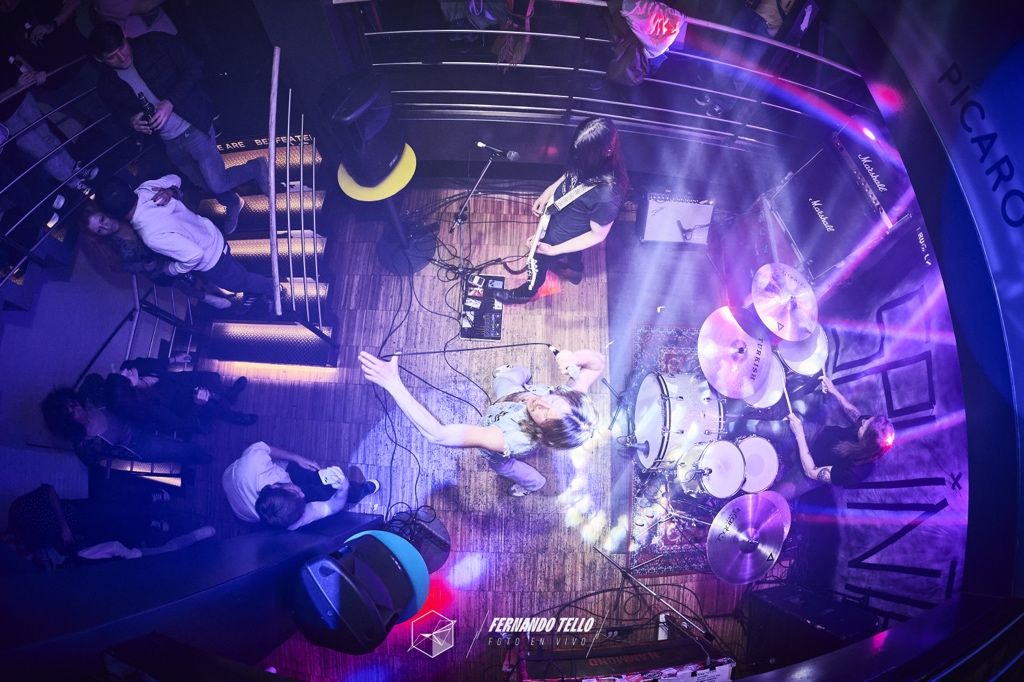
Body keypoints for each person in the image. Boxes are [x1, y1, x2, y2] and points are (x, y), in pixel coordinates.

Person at [88, 21, 268, 234]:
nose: (122, 56)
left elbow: (194, 66)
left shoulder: (155, 44)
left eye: (122, 47)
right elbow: (117, 115)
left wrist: (170, 101)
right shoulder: (107, 84)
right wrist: (130, 121)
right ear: (100, 59)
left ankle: (256, 167)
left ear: (125, 35)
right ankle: (233, 202)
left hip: (193, 124)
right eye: (112, 56)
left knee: (217, 183)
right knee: (202, 183)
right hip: (168, 141)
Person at [359, 348, 605, 497]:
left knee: (507, 468)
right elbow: (596, 364)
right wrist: (575, 357)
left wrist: (393, 383)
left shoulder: (505, 438)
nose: (540, 402)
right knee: (506, 379)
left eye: (546, 415)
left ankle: (533, 484)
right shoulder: (569, 402)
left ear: (546, 434)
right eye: (552, 399)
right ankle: (517, 373)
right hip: (510, 396)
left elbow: (438, 435)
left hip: (502, 424)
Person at [495, 117, 628, 303]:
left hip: (560, 236)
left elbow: (597, 235)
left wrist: (554, 250)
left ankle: (526, 293)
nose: (577, 158)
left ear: (606, 151)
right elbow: (571, 174)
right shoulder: (589, 159)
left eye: (583, 155)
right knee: (574, 252)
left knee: (537, 261)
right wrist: (549, 191)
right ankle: (575, 272)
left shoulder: (608, 194)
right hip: (561, 218)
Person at [90, 174, 276, 297]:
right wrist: (170, 191)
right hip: (212, 234)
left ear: (114, 215)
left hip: (212, 260)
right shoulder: (146, 189)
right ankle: (254, 284)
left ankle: (276, 290)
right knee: (238, 273)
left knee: (241, 282)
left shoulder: (151, 235)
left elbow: (194, 255)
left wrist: (171, 269)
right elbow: (176, 178)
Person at [81, 200, 234, 309]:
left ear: (105, 213)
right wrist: (142, 266)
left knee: (197, 268)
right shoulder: (109, 245)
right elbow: (116, 266)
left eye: (102, 219)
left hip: (171, 252)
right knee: (184, 285)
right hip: (158, 270)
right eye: (99, 230)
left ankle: (215, 287)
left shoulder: (126, 213)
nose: (105, 226)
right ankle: (210, 299)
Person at [222, 441, 381, 530]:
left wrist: (297, 458)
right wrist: (344, 487)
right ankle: (358, 492)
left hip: (235, 476)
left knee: (311, 475)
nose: (304, 494)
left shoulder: (254, 462)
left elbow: (268, 449)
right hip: (243, 509)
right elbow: (331, 507)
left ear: (274, 486)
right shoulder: (290, 519)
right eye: (300, 496)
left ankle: (357, 491)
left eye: (296, 492)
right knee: (323, 492)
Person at [40, 386, 211, 467]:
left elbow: (113, 390)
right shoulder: (83, 444)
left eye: (72, 403)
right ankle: (203, 457)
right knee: (178, 450)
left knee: (175, 423)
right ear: (66, 422)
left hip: (140, 420)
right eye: (70, 412)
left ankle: (201, 427)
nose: (76, 408)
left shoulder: (92, 398)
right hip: (138, 446)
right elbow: (91, 462)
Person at [786, 375, 895, 486]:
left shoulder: (855, 471)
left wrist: (799, 434)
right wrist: (834, 391)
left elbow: (811, 472)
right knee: (778, 429)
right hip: (817, 434)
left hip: (812, 467)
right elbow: (855, 415)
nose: (863, 421)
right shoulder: (870, 425)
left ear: (865, 442)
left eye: (863, 427)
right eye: (867, 420)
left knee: (778, 493)